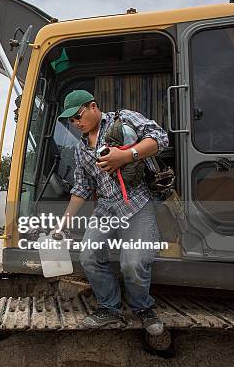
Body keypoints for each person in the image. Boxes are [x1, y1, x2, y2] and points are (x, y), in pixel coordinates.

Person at [56, 89, 168, 336]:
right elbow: (82, 188)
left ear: (93, 106)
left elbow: (160, 138)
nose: (75, 123)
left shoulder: (124, 119)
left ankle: (142, 308)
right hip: (106, 209)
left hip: (137, 204)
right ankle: (110, 307)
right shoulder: (81, 150)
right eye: (71, 120)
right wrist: (64, 222)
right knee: (89, 257)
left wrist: (127, 155)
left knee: (134, 262)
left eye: (78, 116)